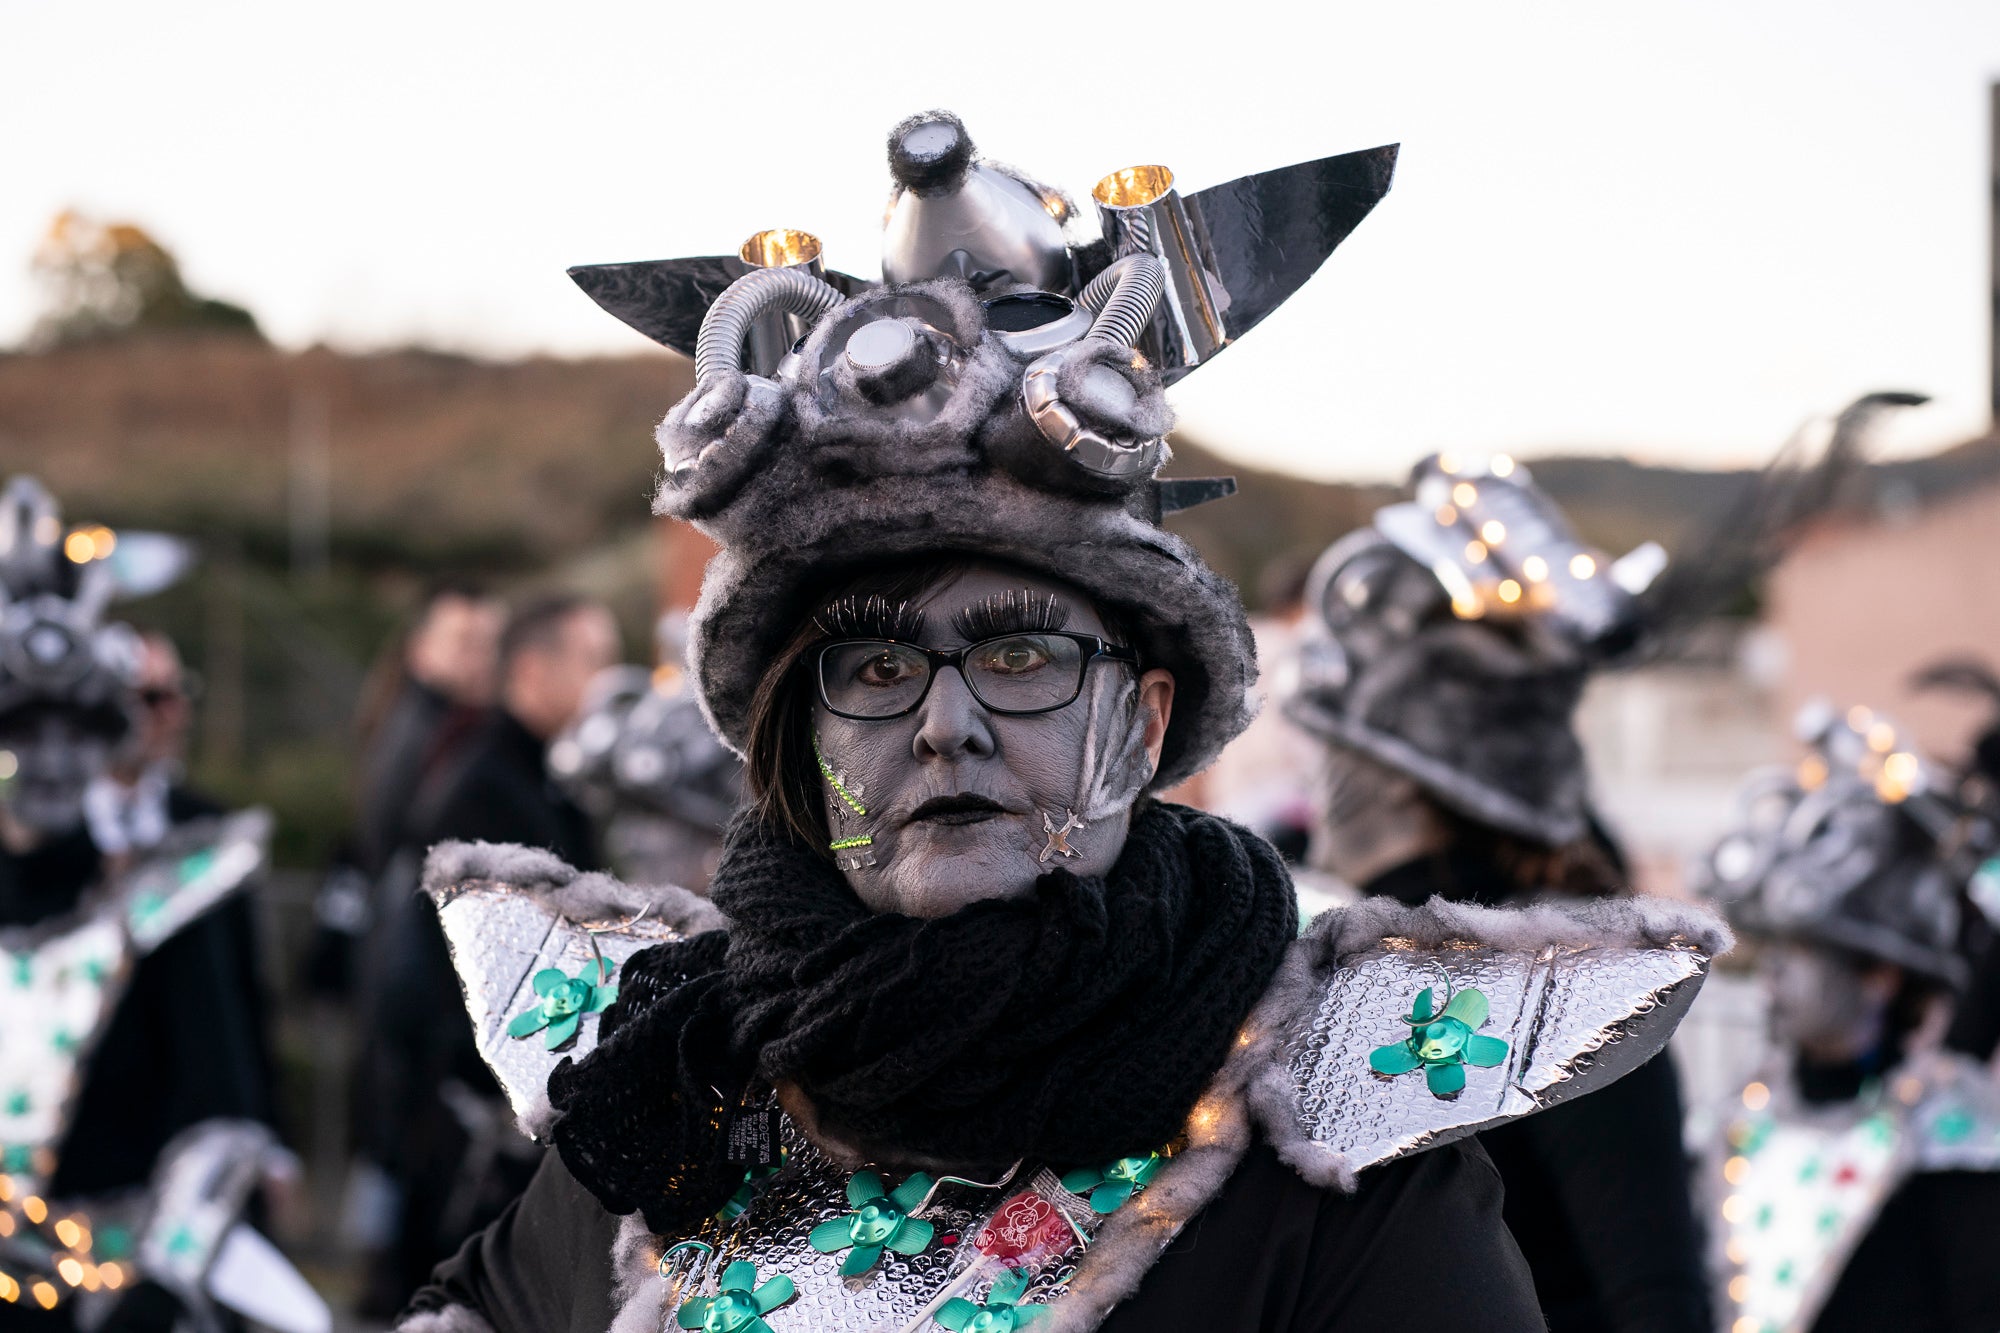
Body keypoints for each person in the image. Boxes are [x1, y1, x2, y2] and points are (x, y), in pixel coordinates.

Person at [391, 112, 1726, 1333]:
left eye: (1021, 655)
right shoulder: (673, 1094)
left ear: (1145, 722)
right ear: (799, 739)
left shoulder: (1327, 1155)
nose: (945, 726)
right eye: (870, 671)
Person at [0, 477, 294, 1330]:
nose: (51, 762)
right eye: (20, 729)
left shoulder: (163, 897)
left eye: (77, 730)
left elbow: (219, 1113)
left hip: (113, 1291)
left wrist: (163, 1273)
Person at [1693, 702, 2000, 1333]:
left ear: (1879, 976)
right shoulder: (1735, 1122)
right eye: (1769, 949)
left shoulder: (1953, 1139)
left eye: (1802, 951)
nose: (1773, 974)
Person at [359, 593, 619, 1311]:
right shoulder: (488, 792)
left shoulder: (541, 780)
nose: (610, 678)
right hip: (473, 1133)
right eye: (593, 659)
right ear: (534, 670)